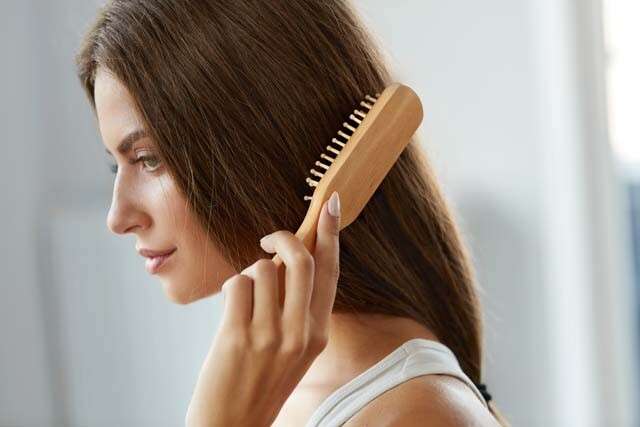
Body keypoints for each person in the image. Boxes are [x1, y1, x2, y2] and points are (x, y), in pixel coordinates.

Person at [76, 1, 508, 425]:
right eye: (117, 164)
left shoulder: (415, 415)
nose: (118, 217)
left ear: (266, 146)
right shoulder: (275, 382)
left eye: (149, 159)